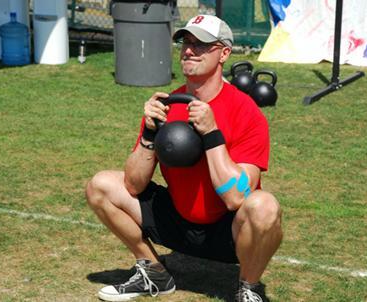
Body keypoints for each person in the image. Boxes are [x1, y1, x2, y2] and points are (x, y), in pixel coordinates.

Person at [86, 14, 283, 302]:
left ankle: (248, 289)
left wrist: (212, 134)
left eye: (201, 44)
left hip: (227, 232)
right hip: (177, 220)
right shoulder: (167, 105)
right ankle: (154, 272)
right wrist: (149, 135)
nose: (189, 50)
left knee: (264, 206)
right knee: (100, 185)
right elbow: (133, 186)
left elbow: (236, 198)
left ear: (224, 54)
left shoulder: (246, 111)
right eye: (185, 42)